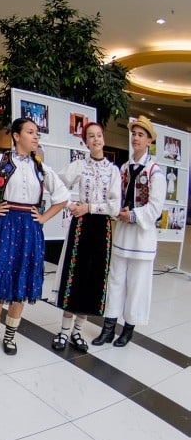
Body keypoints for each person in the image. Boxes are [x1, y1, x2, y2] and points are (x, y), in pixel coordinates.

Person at [0, 118, 69, 356]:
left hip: (30, 228)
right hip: (4, 224)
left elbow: (62, 197)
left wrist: (44, 217)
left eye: (37, 133)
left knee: (21, 280)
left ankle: (10, 336)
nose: (36, 137)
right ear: (16, 136)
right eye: (30, 132)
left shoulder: (41, 167)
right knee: (0, 278)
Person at [94, 116, 164, 347]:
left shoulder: (156, 172)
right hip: (122, 233)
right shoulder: (123, 168)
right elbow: (113, 197)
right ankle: (108, 327)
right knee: (115, 280)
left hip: (142, 238)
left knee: (137, 284)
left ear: (149, 140)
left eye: (141, 135)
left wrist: (132, 215)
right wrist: (117, 211)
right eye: (134, 134)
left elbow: (155, 208)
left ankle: (129, 329)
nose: (135, 138)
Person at [50, 122, 121, 352]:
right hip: (80, 226)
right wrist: (71, 204)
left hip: (102, 229)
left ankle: (78, 332)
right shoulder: (80, 165)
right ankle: (63, 331)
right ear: (85, 141)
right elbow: (57, 184)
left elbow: (114, 206)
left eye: (99, 135)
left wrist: (88, 207)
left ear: (103, 138)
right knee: (75, 277)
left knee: (93, 279)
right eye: (91, 136)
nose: (96, 139)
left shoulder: (113, 170)